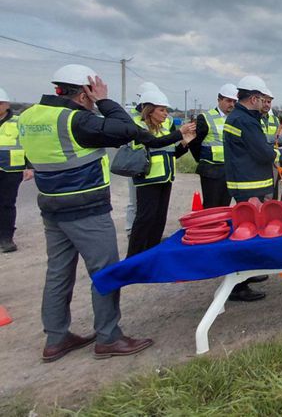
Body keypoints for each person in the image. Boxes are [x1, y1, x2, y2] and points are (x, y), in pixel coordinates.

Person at [19, 64, 154, 361]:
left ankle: (56, 339)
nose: (94, 103)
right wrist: (105, 101)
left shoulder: (29, 116)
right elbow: (129, 129)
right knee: (106, 271)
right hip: (86, 208)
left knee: (58, 272)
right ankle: (108, 337)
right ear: (83, 94)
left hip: (51, 206)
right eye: (92, 96)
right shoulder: (76, 120)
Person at [224, 75, 282, 302]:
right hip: (247, 186)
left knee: (247, 231)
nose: (265, 103)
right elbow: (263, 152)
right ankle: (237, 286)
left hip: (245, 184)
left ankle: (245, 275)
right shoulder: (245, 121)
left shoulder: (240, 118)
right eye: (262, 99)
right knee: (245, 234)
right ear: (253, 98)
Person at [126, 89, 196, 256]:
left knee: (159, 219)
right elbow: (156, 143)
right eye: (162, 110)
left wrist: (184, 144)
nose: (166, 114)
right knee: (145, 219)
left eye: (166, 110)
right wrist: (179, 132)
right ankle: (133, 257)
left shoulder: (164, 129)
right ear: (149, 110)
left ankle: (152, 252)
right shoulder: (138, 127)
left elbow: (171, 153)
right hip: (148, 179)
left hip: (165, 178)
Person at [190, 84, 238, 208]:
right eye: (228, 100)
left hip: (229, 170)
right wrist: (202, 159)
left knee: (224, 207)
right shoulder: (206, 118)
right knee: (211, 206)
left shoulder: (235, 119)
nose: (231, 104)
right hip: (211, 170)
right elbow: (194, 143)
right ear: (219, 100)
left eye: (234, 101)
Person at [0, 86, 33, 253]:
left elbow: (28, 144)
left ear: (6, 104)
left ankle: (6, 238)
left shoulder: (18, 122)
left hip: (11, 170)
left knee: (7, 203)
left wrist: (30, 167)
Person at [124, 82, 159, 238]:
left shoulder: (164, 119)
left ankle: (146, 232)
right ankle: (132, 231)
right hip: (136, 164)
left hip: (153, 165)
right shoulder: (133, 119)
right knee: (134, 200)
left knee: (146, 204)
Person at [259, 88, 281, 199]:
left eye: (269, 102)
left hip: (273, 160)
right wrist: (273, 138)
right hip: (258, 161)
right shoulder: (253, 118)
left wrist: (264, 138)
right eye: (264, 101)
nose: (266, 104)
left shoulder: (275, 120)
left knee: (272, 193)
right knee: (259, 193)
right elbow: (255, 140)